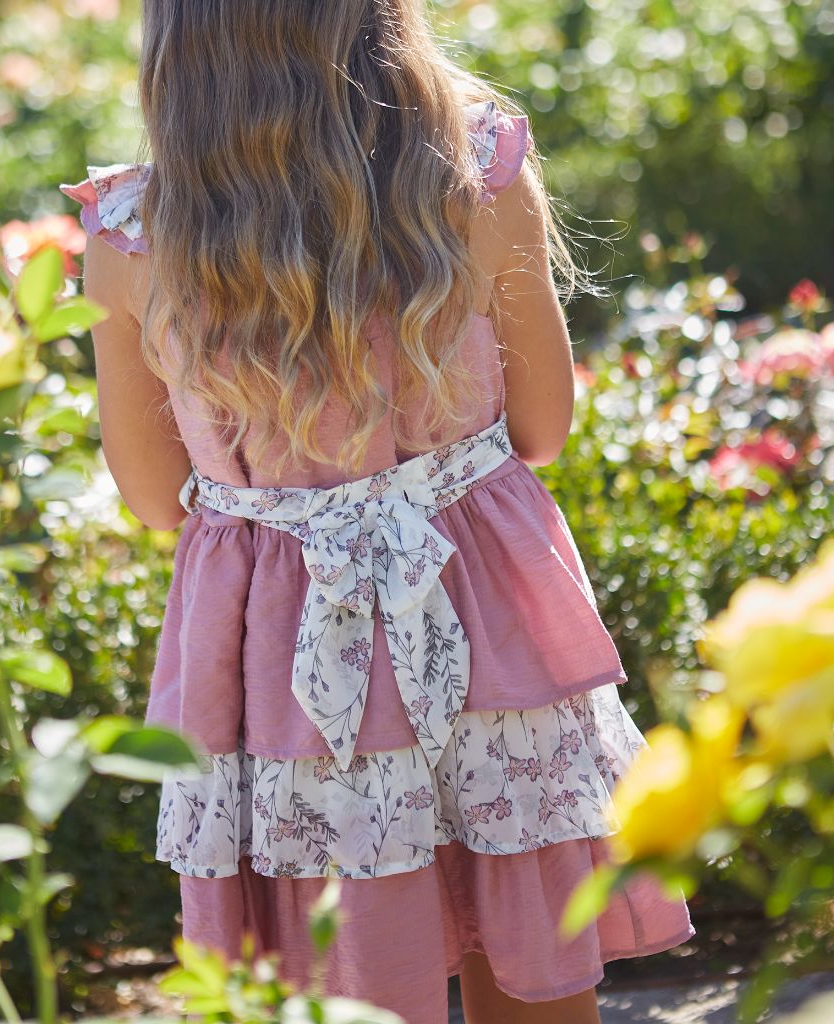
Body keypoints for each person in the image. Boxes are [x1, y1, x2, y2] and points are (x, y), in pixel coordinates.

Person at [60, 2, 695, 1021]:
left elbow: (149, 498)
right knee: (526, 942)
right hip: (485, 613)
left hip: (281, 661)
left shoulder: (132, 240)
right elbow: (542, 427)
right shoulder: (479, 173)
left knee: (338, 974)